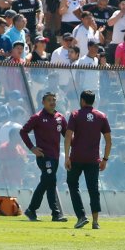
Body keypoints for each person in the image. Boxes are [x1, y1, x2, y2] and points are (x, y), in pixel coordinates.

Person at [64, 89, 112, 230]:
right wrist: (105, 159)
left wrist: (66, 156)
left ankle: (81, 216)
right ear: (93, 101)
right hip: (93, 159)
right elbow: (109, 140)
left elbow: (68, 136)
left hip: (76, 157)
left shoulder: (75, 115)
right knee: (93, 189)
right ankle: (95, 222)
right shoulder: (101, 116)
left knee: (72, 184)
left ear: (82, 101)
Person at [19, 92, 68, 222]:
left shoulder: (60, 118)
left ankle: (46, 212)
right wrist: (32, 148)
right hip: (44, 156)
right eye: (49, 100)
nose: (52, 102)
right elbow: (23, 131)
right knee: (49, 181)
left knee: (49, 183)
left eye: (54, 100)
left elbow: (67, 135)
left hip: (55, 157)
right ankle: (45, 211)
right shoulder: (37, 117)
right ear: (43, 103)